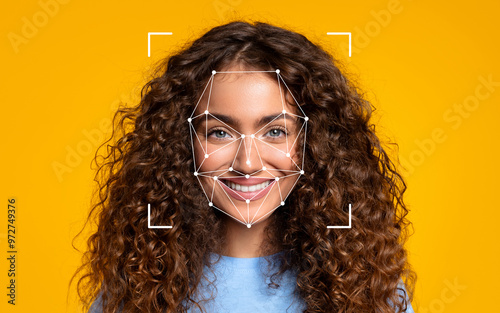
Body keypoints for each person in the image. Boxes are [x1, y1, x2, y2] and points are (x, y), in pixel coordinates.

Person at [72, 20, 416, 313]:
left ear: (314, 143)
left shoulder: (368, 288)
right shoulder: (136, 288)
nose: (247, 163)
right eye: (219, 132)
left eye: (276, 131)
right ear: (182, 142)